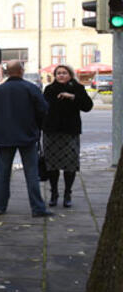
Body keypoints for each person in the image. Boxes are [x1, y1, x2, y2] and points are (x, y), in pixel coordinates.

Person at [0, 60, 52, 217]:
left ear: (7, 72)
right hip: (27, 135)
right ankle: (37, 208)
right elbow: (43, 110)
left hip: (4, 136)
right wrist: (36, 125)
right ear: (22, 71)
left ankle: (0, 206)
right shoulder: (31, 88)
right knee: (31, 173)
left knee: (3, 173)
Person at [42, 64, 93, 208]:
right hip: (51, 132)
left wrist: (72, 97)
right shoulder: (49, 89)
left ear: (70, 75)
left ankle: (67, 193)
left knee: (70, 165)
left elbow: (88, 106)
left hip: (69, 132)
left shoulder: (77, 88)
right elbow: (42, 107)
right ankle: (54, 193)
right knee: (52, 165)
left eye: (64, 73)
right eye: (58, 73)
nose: (61, 75)